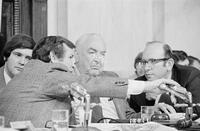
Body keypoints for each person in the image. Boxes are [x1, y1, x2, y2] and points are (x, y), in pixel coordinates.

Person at [0, 36, 180, 127]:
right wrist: (148, 85)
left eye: (102, 54)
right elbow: (90, 85)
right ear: (54, 56)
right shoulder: (49, 72)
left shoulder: (29, 74)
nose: (73, 62)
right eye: (71, 57)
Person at [129, 41, 200, 115]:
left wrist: (162, 98)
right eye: (144, 62)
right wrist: (150, 110)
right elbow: (131, 117)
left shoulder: (190, 76)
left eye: (153, 61)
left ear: (169, 64)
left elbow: (197, 110)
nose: (146, 68)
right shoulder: (139, 85)